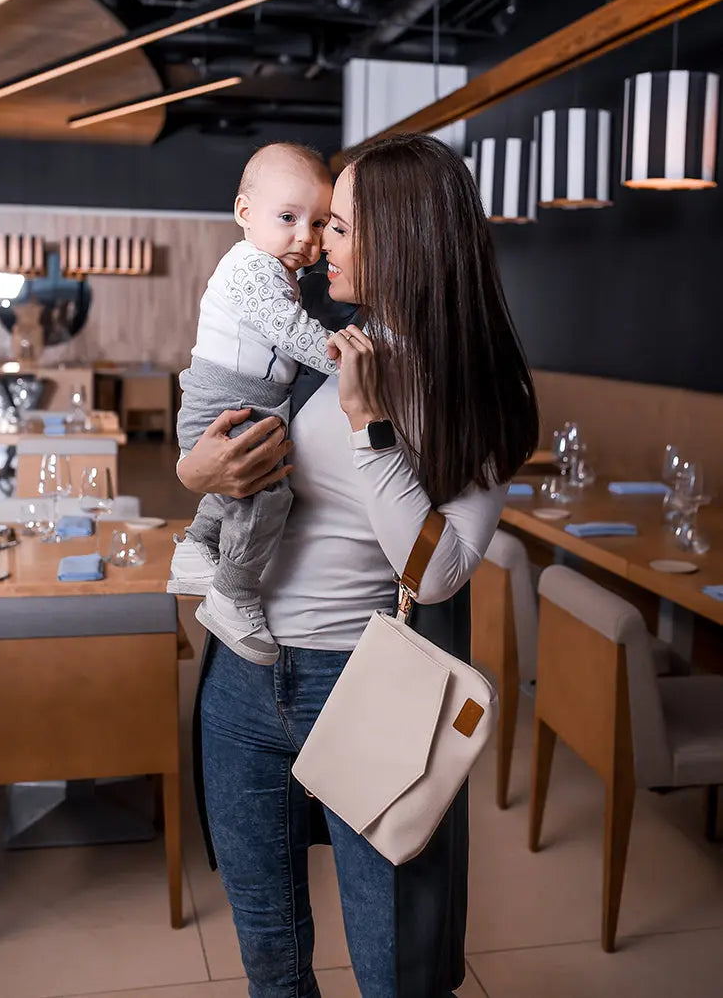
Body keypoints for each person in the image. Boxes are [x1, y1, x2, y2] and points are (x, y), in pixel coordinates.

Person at [178, 134, 539, 998]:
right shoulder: (320, 342)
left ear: (399, 237)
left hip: (364, 687)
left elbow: (440, 570)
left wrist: (371, 426)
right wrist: (194, 471)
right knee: (271, 963)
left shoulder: (469, 391)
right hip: (242, 683)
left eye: (336, 227)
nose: (313, 246)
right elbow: (228, 463)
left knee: (394, 972)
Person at [169, 142, 339, 666]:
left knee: (244, 491)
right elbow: (289, 331)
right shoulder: (249, 268)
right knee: (266, 496)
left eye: (320, 225)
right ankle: (234, 593)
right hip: (227, 401)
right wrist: (342, 358)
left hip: (245, 400)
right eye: (288, 217)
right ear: (244, 212)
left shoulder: (281, 272)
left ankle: (195, 549)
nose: (304, 238)